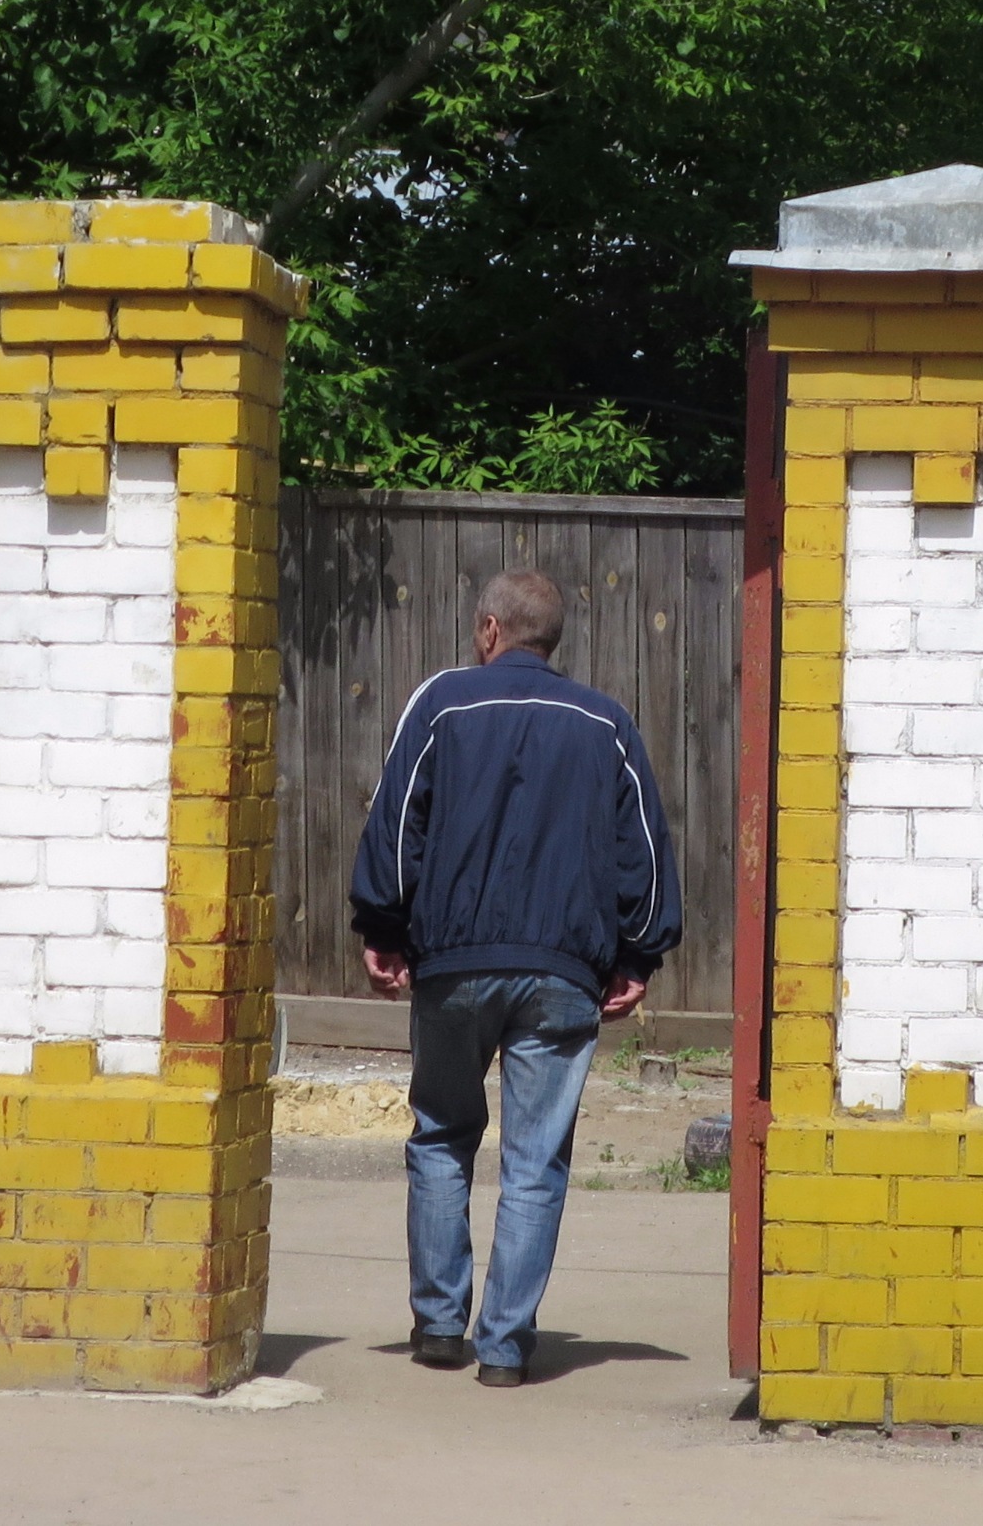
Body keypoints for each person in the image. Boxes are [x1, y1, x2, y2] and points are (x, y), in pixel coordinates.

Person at [348, 568, 683, 1388]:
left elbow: (396, 830)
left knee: (440, 1135)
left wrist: (384, 928)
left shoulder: (441, 705)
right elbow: (641, 849)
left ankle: (436, 1325)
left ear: (490, 629)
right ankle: (502, 1348)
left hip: (453, 967)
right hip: (562, 976)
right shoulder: (606, 723)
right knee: (535, 1162)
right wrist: (637, 955)